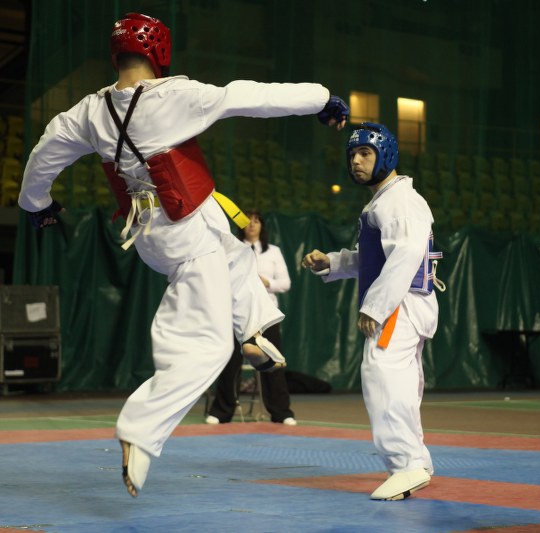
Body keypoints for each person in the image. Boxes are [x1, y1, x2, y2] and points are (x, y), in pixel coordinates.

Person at [18, 13, 348, 498]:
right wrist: (322, 99)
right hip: (182, 231)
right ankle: (140, 430)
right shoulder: (174, 96)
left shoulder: (88, 111)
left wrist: (37, 205)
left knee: (236, 254)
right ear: (159, 53)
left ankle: (254, 330)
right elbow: (248, 95)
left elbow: (44, 153)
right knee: (207, 346)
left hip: (161, 226)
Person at [302, 123, 444, 501]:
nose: (357, 161)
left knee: (382, 375)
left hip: (400, 303)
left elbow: (408, 254)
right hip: (408, 303)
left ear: (387, 155)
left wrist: (376, 306)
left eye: (365, 153)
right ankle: (417, 460)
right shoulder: (384, 201)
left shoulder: (398, 200)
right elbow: (375, 258)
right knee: (401, 384)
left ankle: (406, 464)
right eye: (352, 155)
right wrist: (333, 263)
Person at [206, 211, 297, 426]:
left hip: (266, 316)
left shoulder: (273, 252)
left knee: (273, 363)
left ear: (262, 226)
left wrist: (265, 283)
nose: (252, 225)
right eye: (248, 222)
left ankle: (282, 412)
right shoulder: (232, 250)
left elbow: (285, 283)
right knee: (230, 363)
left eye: (256, 221)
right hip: (235, 313)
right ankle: (221, 412)